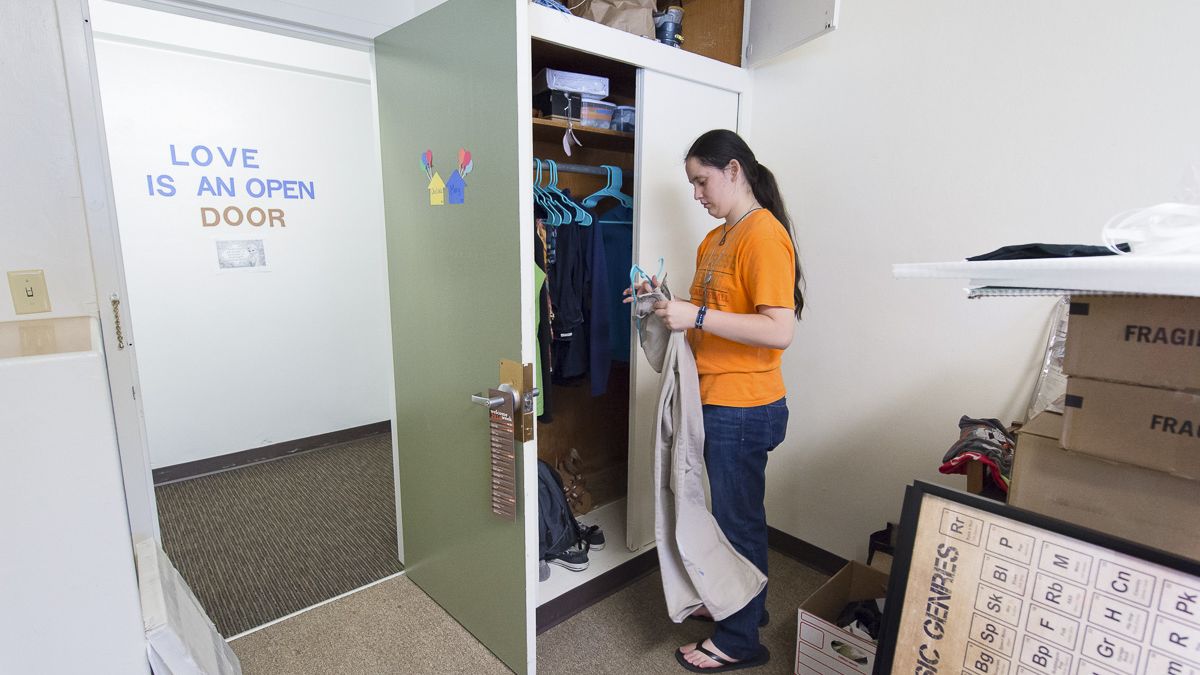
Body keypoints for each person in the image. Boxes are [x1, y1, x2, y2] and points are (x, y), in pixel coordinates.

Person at [633, 129, 804, 672]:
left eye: (702, 181)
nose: (697, 194)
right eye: (691, 185)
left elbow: (779, 330)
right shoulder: (715, 240)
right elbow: (707, 315)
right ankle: (742, 609)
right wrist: (666, 303)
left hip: (745, 407)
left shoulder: (764, 237)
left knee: (737, 521)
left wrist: (697, 315)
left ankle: (740, 640)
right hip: (712, 401)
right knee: (727, 515)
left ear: (734, 171)